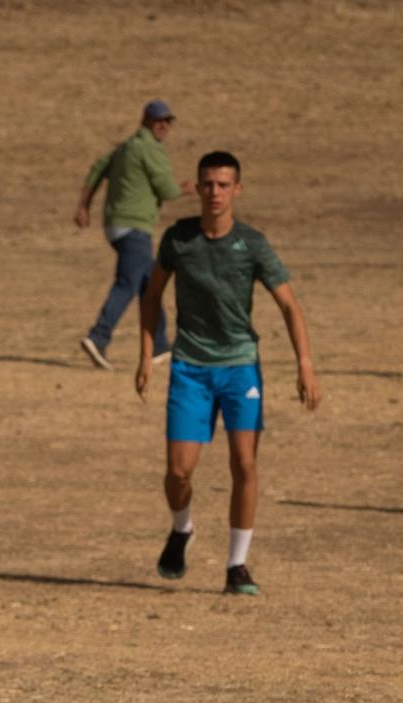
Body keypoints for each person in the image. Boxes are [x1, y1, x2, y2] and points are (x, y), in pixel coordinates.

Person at [135, 151, 319, 597]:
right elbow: (152, 293)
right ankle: (182, 529)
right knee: (179, 472)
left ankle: (237, 565)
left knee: (245, 464)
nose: (214, 192)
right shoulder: (178, 240)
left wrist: (305, 364)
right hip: (190, 368)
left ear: (237, 190)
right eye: (207, 184)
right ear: (196, 188)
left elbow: (290, 305)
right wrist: (145, 354)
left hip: (240, 368)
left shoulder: (252, 244)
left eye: (223, 184)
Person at [76, 100, 183, 370]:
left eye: (167, 121)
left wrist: (84, 206)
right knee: (127, 283)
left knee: (150, 284)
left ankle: (159, 345)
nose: (163, 126)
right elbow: (168, 190)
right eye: (159, 120)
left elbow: (98, 168)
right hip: (134, 227)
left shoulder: (126, 147)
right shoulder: (149, 148)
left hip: (116, 226)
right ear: (146, 120)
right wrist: (190, 188)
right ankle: (98, 337)